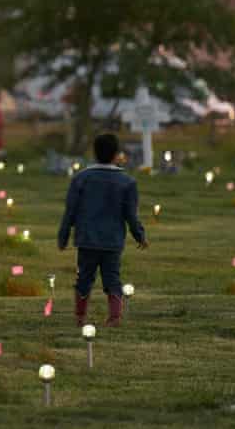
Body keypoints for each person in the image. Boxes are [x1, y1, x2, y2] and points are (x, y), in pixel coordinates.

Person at [57, 133, 148, 328]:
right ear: (117, 154)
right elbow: (130, 214)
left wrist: (63, 236)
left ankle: (80, 316)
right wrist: (139, 234)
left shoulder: (81, 178)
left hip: (87, 239)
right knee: (112, 277)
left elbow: (70, 211)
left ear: (95, 153)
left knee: (84, 278)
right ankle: (114, 317)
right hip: (112, 241)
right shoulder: (127, 182)